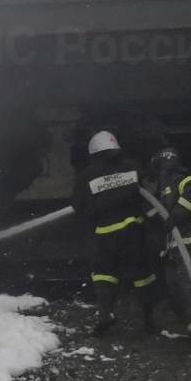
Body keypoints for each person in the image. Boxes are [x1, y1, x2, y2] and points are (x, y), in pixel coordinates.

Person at [71, 130, 157, 335]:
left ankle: (106, 314)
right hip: (135, 231)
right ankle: (148, 319)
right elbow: (143, 192)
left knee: (103, 273)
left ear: (93, 152)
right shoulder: (131, 167)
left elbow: (78, 206)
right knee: (143, 274)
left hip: (107, 233)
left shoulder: (86, 176)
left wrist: (95, 213)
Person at [149, 147, 191, 340]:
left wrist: (176, 215)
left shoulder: (185, 181)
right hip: (173, 248)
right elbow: (152, 216)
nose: (162, 172)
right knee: (175, 292)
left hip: (190, 242)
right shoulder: (160, 193)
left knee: (189, 287)